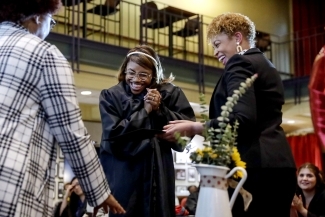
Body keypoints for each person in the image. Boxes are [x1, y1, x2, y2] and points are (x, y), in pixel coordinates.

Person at [161, 12, 297, 217]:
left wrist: (194, 127)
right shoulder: (267, 65)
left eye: (217, 43)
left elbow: (241, 120)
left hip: (253, 169)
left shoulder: (240, 62)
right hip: (280, 165)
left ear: (238, 37)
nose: (216, 52)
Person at [0, 1, 125, 216]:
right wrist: (100, 192)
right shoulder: (44, 53)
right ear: (39, 15)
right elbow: (71, 131)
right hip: (10, 182)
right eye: (53, 20)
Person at [99, 44, 196, 217]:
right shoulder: (111, 96)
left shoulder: (170, 94)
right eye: (131, 72)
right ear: (124, 71)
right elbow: (114, 137)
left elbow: (185, 131)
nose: (136, 79)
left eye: (143, 74)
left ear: (154, 75)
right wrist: (145, 111)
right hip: (125, 176)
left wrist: (160, 110)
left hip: (159, 175)